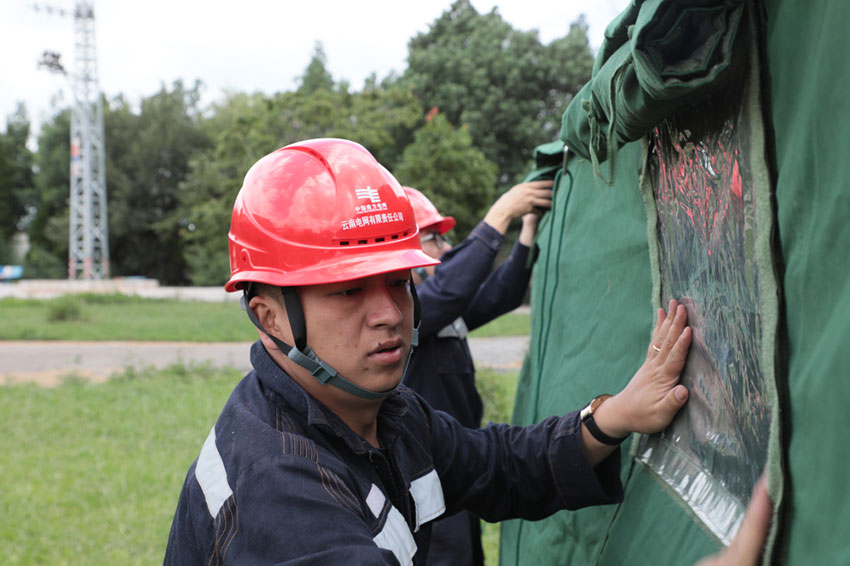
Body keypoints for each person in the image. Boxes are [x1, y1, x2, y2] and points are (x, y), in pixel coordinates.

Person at [163, 138, 694, 565]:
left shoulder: (386, 415)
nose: (390, 313)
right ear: (268, 316)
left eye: (398, 281)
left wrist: (614, 415)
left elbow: (498, 465)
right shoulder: (280, 491)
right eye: (348, 289)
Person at [401, 182, 552, 566]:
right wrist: (499, 215)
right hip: (423, 482)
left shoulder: (438, 309)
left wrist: (528, 230)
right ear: (408, 250)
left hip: (456, 470)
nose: (446, 249)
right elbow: (453, 288)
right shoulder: (407, 315)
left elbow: (499, 294)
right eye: (435, 239)